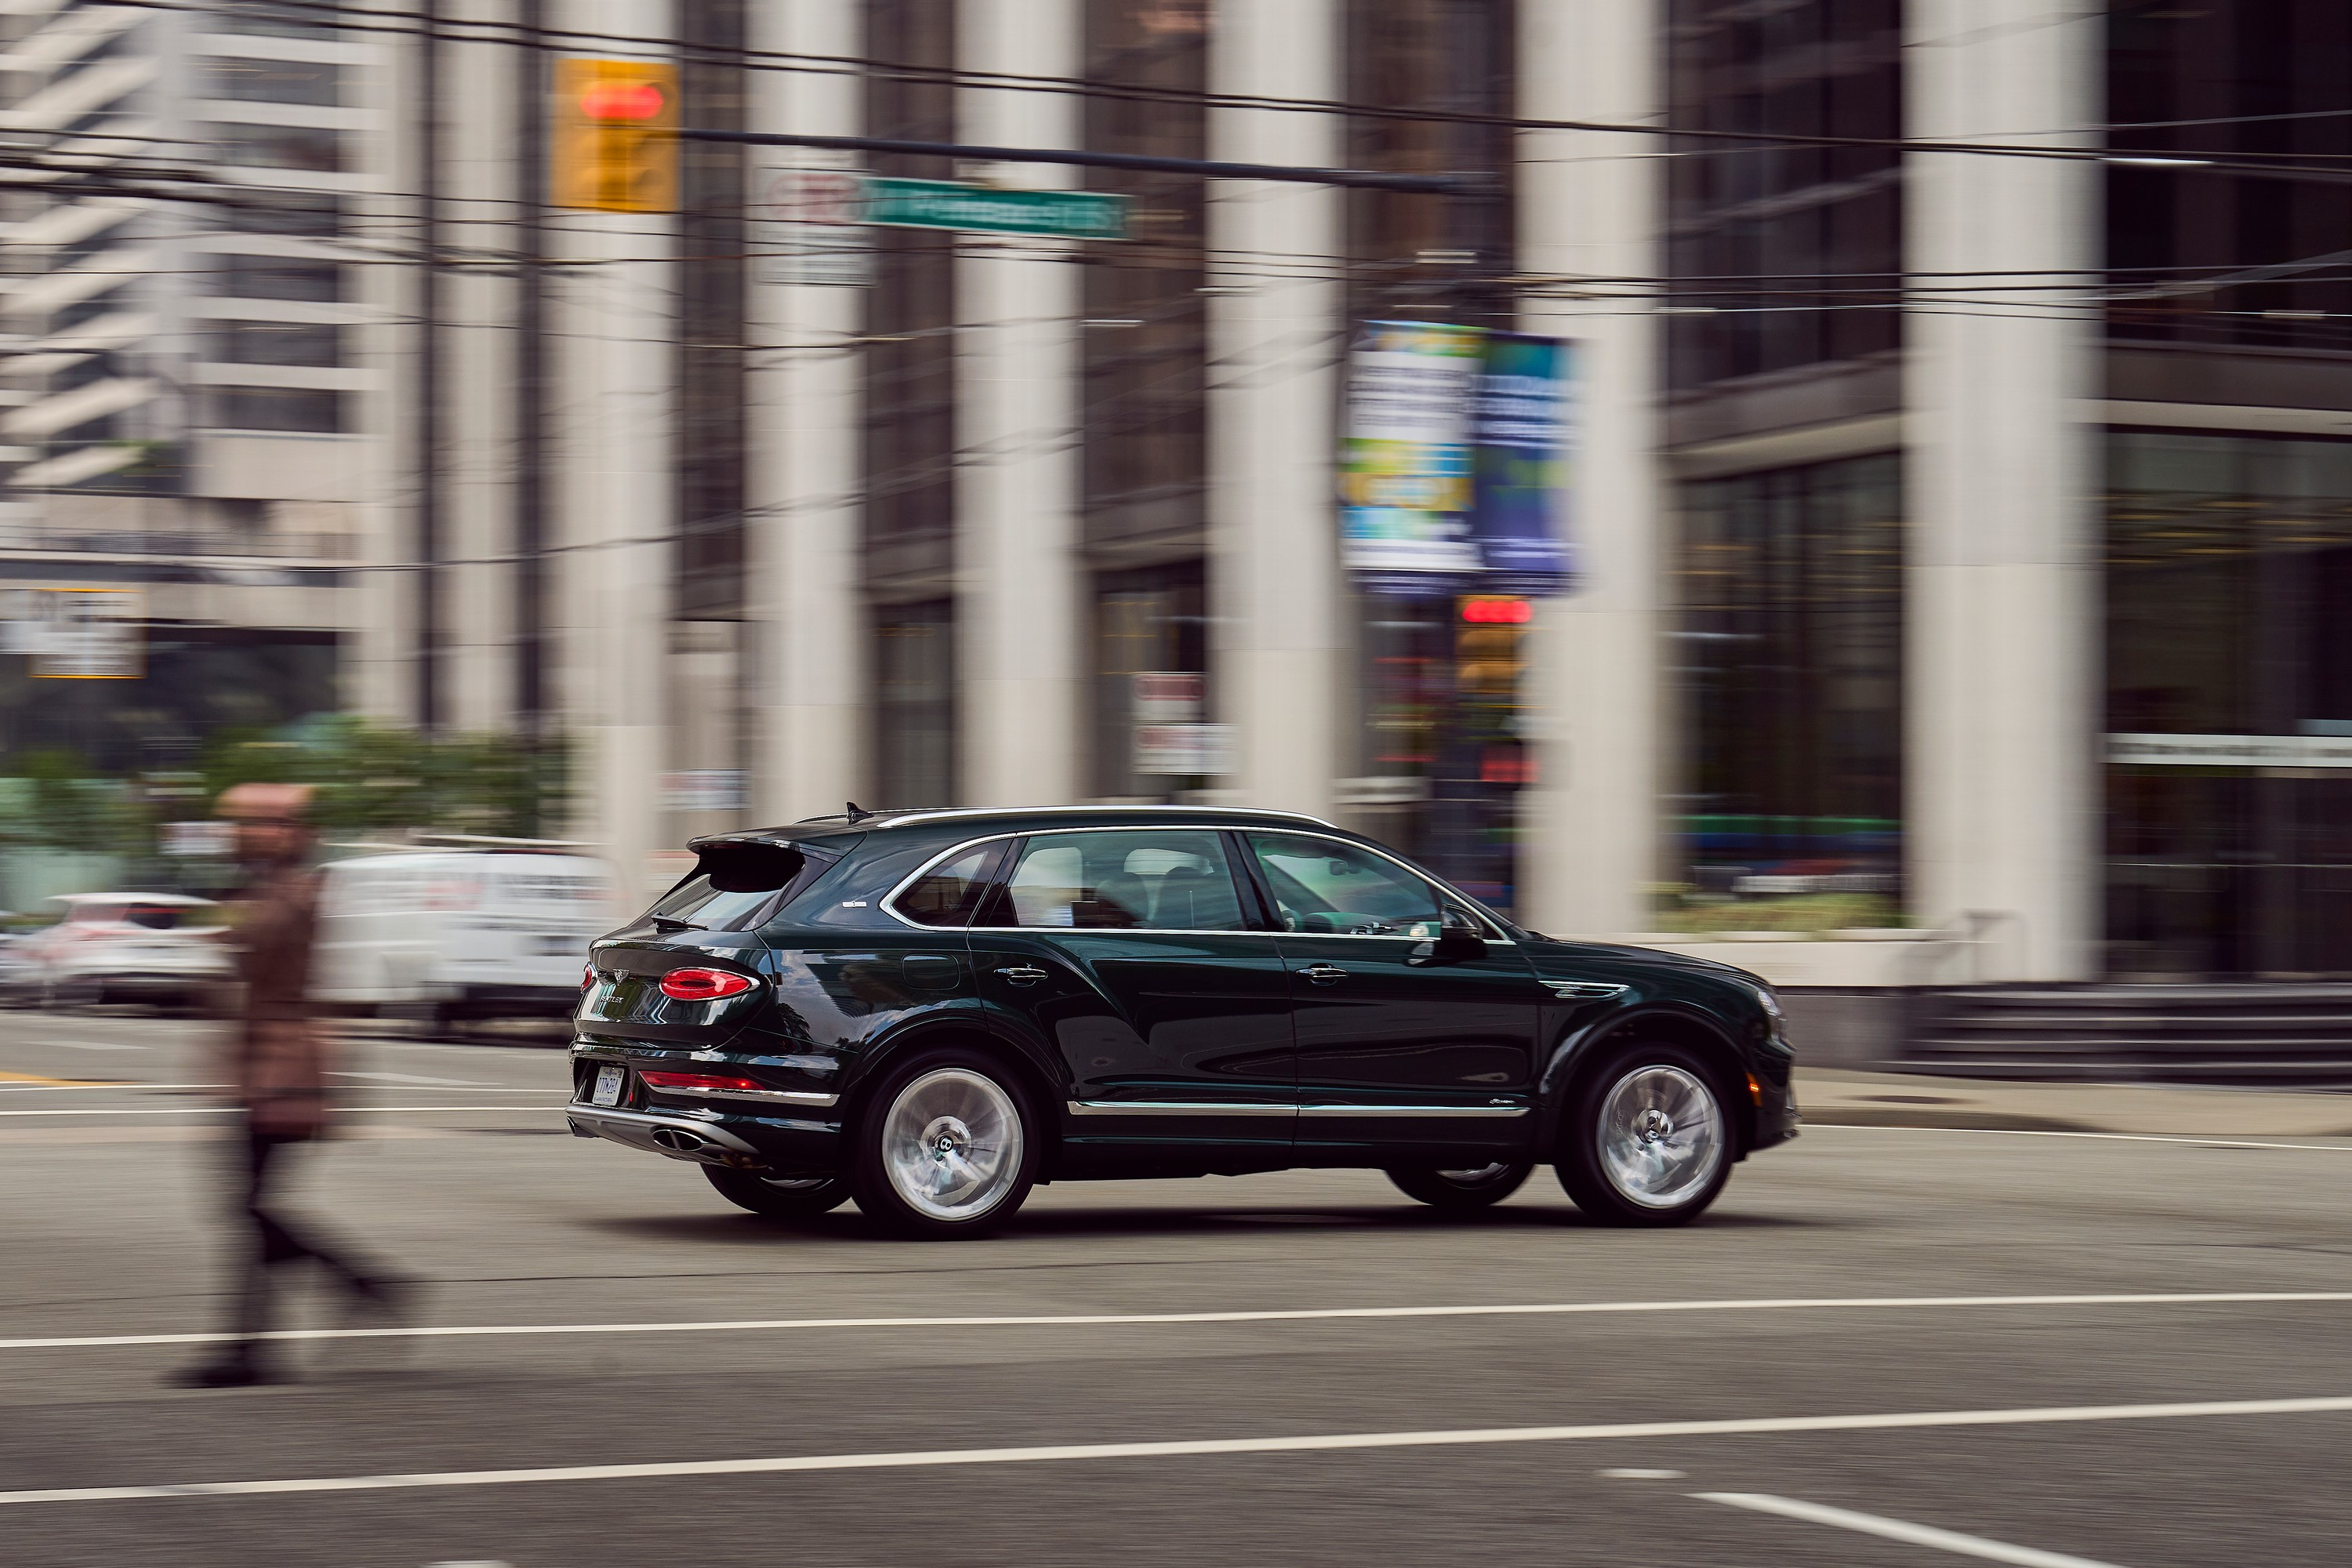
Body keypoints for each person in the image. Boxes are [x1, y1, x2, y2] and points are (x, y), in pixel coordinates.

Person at [173, 782, 409, 1388]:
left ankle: (322, 1304)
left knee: (247, 1205)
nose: (236, 833)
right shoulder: (262, 890)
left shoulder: (296, 892)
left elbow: (260, 957)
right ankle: (314, 1310)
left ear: (286, 832)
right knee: (249, 1206)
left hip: (284, 1066)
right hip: (257, 1065)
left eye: (250, 823)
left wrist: (232, 929)